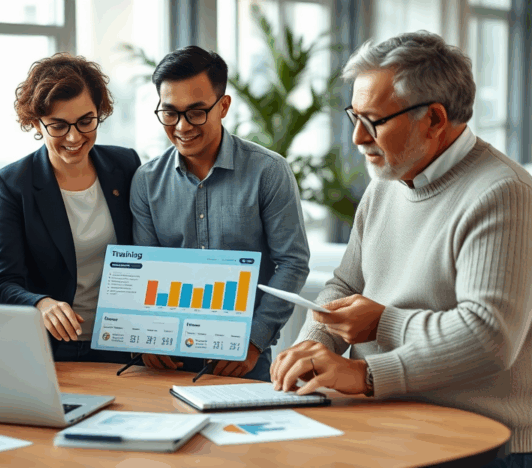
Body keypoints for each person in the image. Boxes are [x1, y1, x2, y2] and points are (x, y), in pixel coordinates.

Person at [270, 31, 532, 465]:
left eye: (373, 120)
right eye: (353, 115)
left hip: (479, 442)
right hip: (389, 423)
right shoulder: (389, 182)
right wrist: (314, 345)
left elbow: (489, 336)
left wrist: (371, 358)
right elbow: (345, 281)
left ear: (433, 118)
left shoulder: (503, 193)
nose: (356, 137)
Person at [130, 46, 310, 382]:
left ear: (223, 106)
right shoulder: (146, 181)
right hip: (165, 358)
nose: (182, 126)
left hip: (243, 358)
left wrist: (254, 340)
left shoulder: (269, 171)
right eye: (170, 113)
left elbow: (292, 263)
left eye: (196, 112)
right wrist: (147, 335)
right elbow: (145, 266)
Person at [0, 53, 140, 364]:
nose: (74, 137)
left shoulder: (125, 166)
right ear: (36, 123)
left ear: (100, 112)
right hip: (54, 349)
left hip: (124, 342)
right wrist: (41, 303)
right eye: (58, 125)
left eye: (86, 121)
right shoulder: (12, 185)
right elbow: (4, 284)